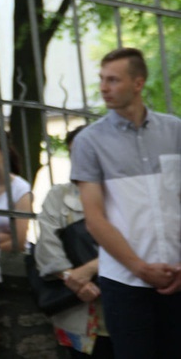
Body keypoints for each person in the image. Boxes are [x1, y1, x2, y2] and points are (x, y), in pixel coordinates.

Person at [71, 47, 181, 359]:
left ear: (138, 83)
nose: (104, 88)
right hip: (125, 281)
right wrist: (140, 268)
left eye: (113, 80)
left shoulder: (175, 130)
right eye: (102, 80)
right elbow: (95, 219)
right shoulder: (89, 141)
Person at [37, 125, 113, 358]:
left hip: (124, 304)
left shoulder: (124, 194)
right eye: (74, 154)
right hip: (79, 308)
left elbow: (139, 243)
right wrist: (72, 279)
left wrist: (89, 269)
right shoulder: (59, 196)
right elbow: (46, 246)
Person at [0, 136, 32, 252]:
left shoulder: (21, 188)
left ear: (4, 152)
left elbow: (19, 241)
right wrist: (5, 236)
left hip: (12, 261)